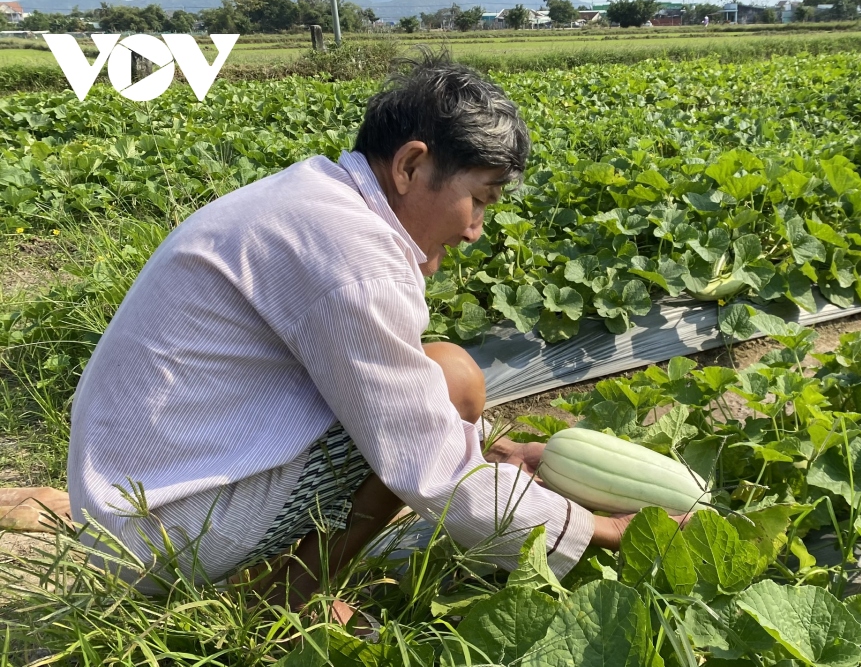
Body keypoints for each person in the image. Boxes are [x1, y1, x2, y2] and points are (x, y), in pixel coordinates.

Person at [59, 51, 688, 616]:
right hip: (164, 535)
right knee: (451, 382)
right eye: (481, 199)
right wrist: (601, 531)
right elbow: (425, 458)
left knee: (438, 384)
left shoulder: (316, 203)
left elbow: (376, 390)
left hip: (141, 499)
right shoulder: (353, 259)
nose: (475, 231)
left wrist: (491, 451)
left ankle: (278, 575)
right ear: (413, 164)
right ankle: (291, 592)